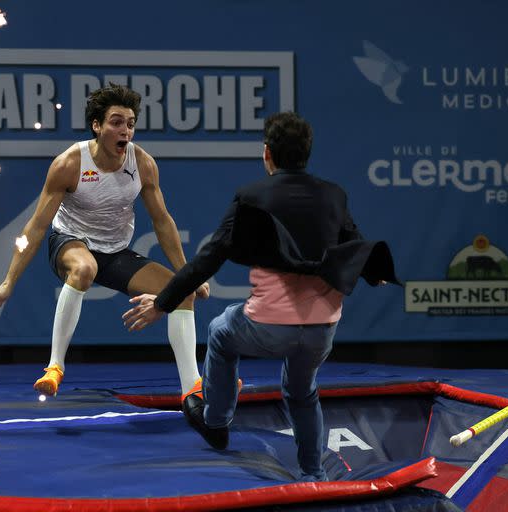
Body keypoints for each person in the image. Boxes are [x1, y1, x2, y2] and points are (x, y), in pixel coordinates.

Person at [122, 112, 398, 481]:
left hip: (269, 325)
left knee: (221, 333)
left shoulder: (251, 196)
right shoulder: (335, 194)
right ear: (307, 153)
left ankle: (216, 422)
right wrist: (374, 274)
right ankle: (314, 476)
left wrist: (161, 303)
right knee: (302, 391)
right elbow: (354, 244)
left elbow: (209, 258)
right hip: (322, 329)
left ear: (267, 153)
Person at [0, 83, 208, 398]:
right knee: (84, 268)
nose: (125, 131)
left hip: (116, 253)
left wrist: (188, 275)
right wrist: (9, 282)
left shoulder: (142, 164)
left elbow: (162, 221)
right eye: (116, 122)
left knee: (182, 294)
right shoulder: (69, 164)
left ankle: (193, 387)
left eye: (130, 124)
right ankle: (54, 367)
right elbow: (35, 228)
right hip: (70, 243)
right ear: (97, 126)